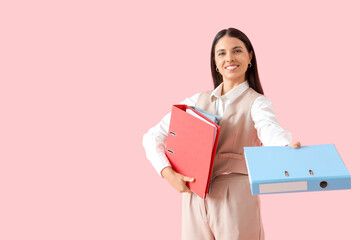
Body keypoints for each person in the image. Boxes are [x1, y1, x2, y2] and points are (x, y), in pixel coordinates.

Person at [143, 27, 301, 240]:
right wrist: (168, 174)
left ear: (249, 57)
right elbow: (152, 136)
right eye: (222, 53)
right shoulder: (196, 101)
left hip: (236, 197)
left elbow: (270, 129)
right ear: (215, 62)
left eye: (237, 51)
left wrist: (284, 147)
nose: (229, 58)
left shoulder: (257, 103)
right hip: (194, 197)